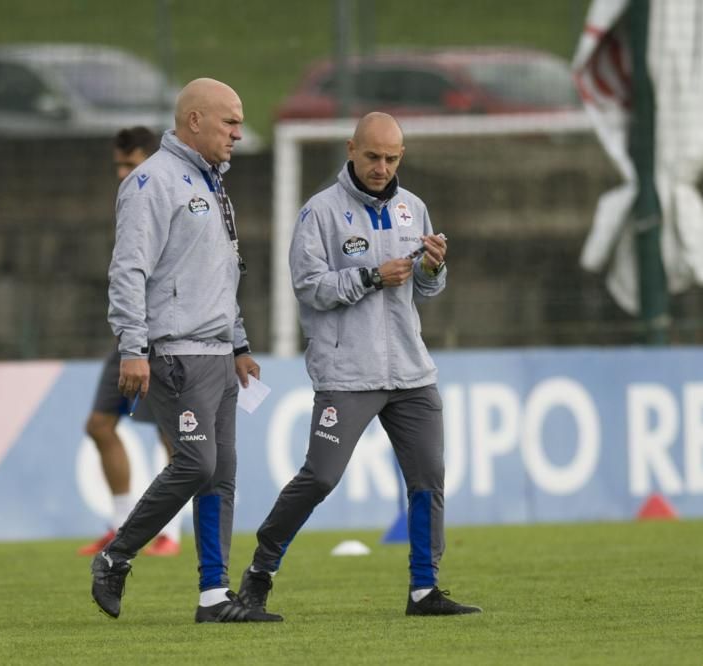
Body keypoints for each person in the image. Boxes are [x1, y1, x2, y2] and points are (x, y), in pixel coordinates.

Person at [236, 112, 481, 618]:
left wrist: (434, 268)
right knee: (320, 477)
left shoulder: (415, 209)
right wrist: (369, 277)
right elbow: (308, 289)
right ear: (351, 149)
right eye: (372, 156)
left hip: (412, 374)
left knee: (428, 479)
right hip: (348, 375)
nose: (381, 167)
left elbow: (426, 289)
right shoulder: (320, 213)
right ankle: (259, 573)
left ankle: (424, 590)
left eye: (392, 158)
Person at [90, 78, 280, 623]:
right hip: (173, 352)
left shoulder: (212, 184)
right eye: (230, 122)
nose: (239, 134)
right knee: (197, 463)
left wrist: (239, 343)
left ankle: (214, 596)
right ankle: (115, 555)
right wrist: (132, 347)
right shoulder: (152, 182)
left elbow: (219, 277)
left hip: (219, 354)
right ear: (194, 120)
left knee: (221, 474)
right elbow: (128, 270)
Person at [79, 126, 182, 558]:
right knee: (99, 425)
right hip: (128, 334)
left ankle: (168, 534)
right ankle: (121, 526)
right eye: (118, 165)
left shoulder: (166, 194)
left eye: (131, 163)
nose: (123, 173)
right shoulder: (131, 199)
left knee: (170, 437)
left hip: (163, 336)